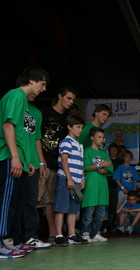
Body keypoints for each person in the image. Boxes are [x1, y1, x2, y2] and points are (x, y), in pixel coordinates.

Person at [1, 66, 49, 258]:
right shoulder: (16, 95)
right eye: (43, 84)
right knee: (6, 201)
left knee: (16, 202)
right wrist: (14, 156)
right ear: (31, 80)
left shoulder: (23, 101)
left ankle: (12, 240)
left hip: (19, 157)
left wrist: (26, 159)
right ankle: (2, 241)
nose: (44, 89)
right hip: (7, 155)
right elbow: (7, 125)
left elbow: (22, 134)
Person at [40, 85, 78, 243]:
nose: (71, 102)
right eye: (69, 98)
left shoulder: (67, 119)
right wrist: (41, 161)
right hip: (41, 163)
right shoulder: (44, 113)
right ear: (60, 96)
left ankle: (53, 234)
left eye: (73, 100)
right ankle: (20, 235)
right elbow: (36, 138)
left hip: (58, 167)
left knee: (50, 201)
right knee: (33, 198)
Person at [20, 93, 51, 249]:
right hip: (17, 159)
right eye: (42, 84)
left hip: (33, 162)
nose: (43, 90)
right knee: (13, 201)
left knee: (31, 200)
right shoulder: (15, 102)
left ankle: (30, 236)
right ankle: (11, 237)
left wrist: (41, 161)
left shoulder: (37, 112)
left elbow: (37, 138)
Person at [53, 115, 88, 246]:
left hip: (77, 180)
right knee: (61, 207)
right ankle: (58, 235)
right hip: (65, 178)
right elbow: (64, 160)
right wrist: (69, 179)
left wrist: (82, 177)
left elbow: (81, 163)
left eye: (81, 128)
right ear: (69, 127)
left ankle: (72, 234)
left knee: (73, 209)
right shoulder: (66, 141)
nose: (80, 130)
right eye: (78, 127)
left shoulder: (79, 145)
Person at [81, 127, 113, 243]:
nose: (102, 140)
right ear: (92, 138)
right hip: (91, 184)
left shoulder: (103, 152)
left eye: (103, 137)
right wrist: (100, 165)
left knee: (100, 212)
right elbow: (85, 167)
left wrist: (105, 170)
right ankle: (85, 233)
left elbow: (109, 166)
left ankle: (95, 233)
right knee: (89, 212)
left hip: (102, 185)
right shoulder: (87, 151)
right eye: (99, 137)